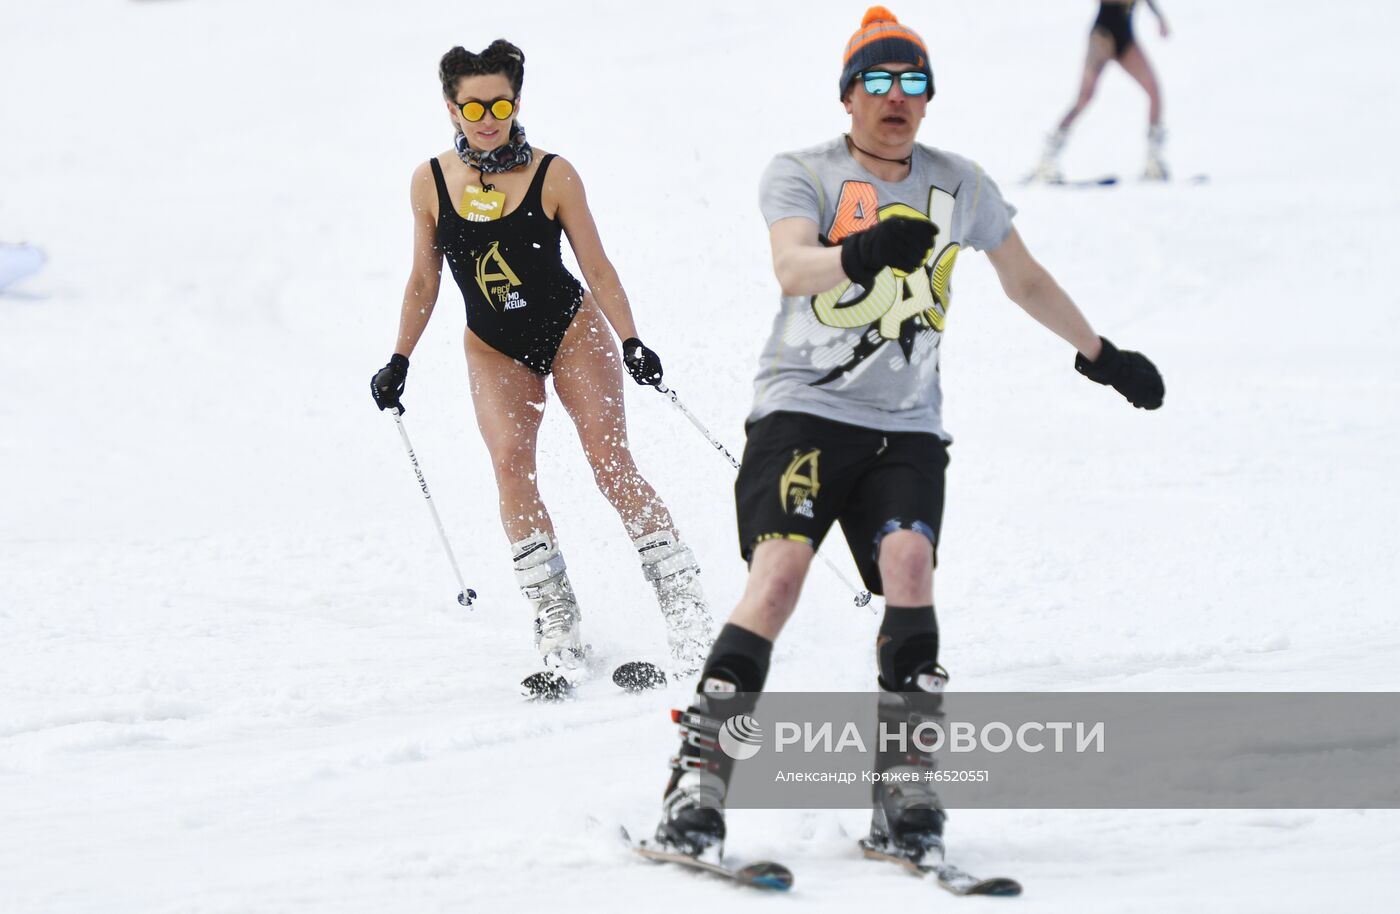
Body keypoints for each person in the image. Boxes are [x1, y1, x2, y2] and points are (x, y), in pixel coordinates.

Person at [650, 6, 1164, 862]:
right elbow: (791, 265)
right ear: (849, 95)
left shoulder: (962, 183)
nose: (896, 98)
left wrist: (1102, 356)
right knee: (776, 580)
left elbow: (1024, 278)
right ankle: (696, 787)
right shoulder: (801, 171)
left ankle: (904, 795)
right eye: (878, 82)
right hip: (801, 413)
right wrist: (862, 253)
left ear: (928, 101)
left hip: (906, 428)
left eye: (913, 83)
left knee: (910, 566)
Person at [369, 40, 712, 692]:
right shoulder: (431, 182)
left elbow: (598, 265)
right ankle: (557, 624)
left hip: (571, 332)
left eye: (501, 103)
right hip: (493, 346)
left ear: (517, 101)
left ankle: (686, 609)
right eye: (474, 107)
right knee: (509, 466)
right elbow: (423, 279)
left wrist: (632, 338)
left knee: (611, 465)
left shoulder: (555, 175)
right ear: (452, 108)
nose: (489, 117)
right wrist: (399, 358)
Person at [1030, 0, 1171, 182]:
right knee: (1084, 97)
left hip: (1126, 38)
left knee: (1154, 91)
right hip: (1102, 35)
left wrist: (1158, 17)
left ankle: (1154, 160)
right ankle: (1047, 160)